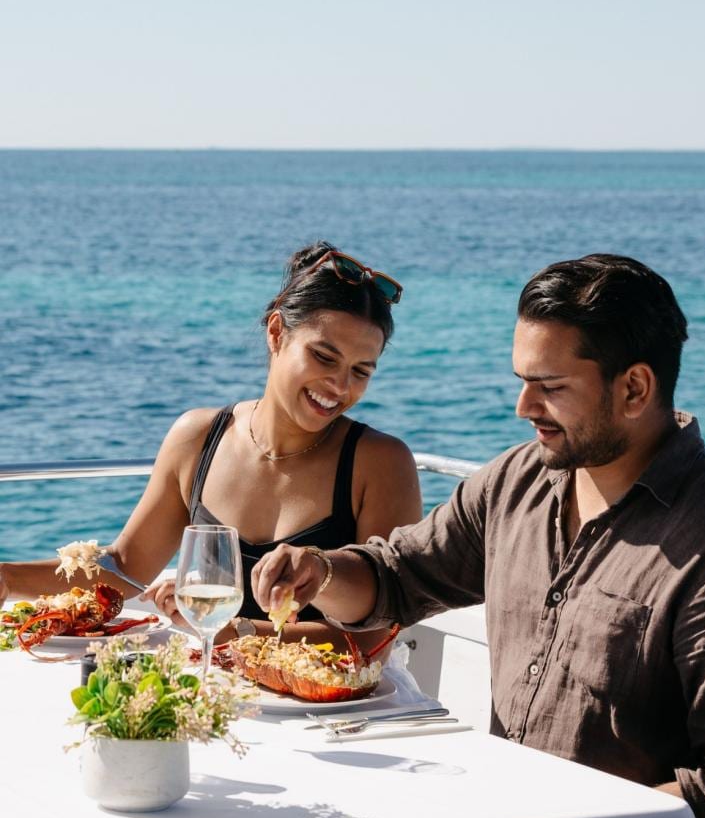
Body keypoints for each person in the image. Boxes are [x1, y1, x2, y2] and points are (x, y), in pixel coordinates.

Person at [251, 253, 705, 818]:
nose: (523, 408)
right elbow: (399, 575)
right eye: (522, 382)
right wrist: (322, 572)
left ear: (634, 389)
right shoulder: (515, 482)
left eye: (549, 386)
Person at [0, 242, 422, 655]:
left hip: (349, 714)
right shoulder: (198, 437)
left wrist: (232, 631)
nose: (340, 387)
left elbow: (372, 640)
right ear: (277, 333)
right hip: (220, 688)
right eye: (324, 357)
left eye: (361, 371)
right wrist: (8, 578)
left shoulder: (380, 464)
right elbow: (126, 570)